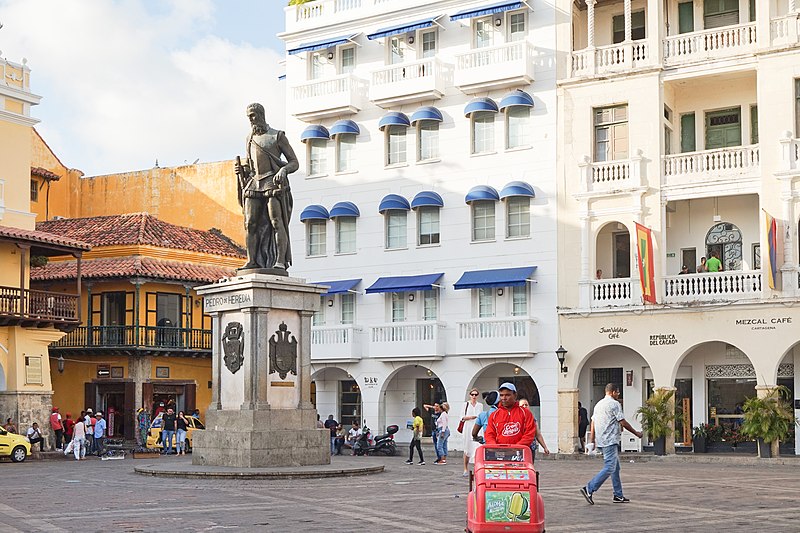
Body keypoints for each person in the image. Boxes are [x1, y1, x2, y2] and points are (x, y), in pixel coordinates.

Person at [234, 102, 299, 271]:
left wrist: (283, 171)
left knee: (276, 222)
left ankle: (279, 260)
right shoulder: (249, 138)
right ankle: (252, 260)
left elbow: (294, 163)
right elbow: (250, 165)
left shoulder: (277, 136)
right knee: (250, 223)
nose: (251, 120)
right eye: (249, 117)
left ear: (261, 115)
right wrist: (241, 170)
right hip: (254, 182)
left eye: (253, 116)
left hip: (272, 181)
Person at [580, 383, 643, 505]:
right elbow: (622, 422)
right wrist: (636, 433)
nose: (618, 395)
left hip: (601, 440)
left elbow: (593, 422)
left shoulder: (599, 404)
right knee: (610, 467)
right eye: (618, 393)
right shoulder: (614, 404)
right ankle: (589, 488)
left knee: (615, 467)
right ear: (613, 392)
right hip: (610, 440)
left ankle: (618, 495)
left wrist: (592, 440)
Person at [461, 388, 483, 476]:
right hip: (468, 427)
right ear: (470, 395)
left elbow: (481, 417)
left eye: (476, 394)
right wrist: (471, 417)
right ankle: (465, 468)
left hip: (477, 428)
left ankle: (476, 468)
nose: (474, 396)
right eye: (472, 394)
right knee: (467, 448)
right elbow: (462, 417)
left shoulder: (480, 405)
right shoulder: (466, 404)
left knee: (477, 447)